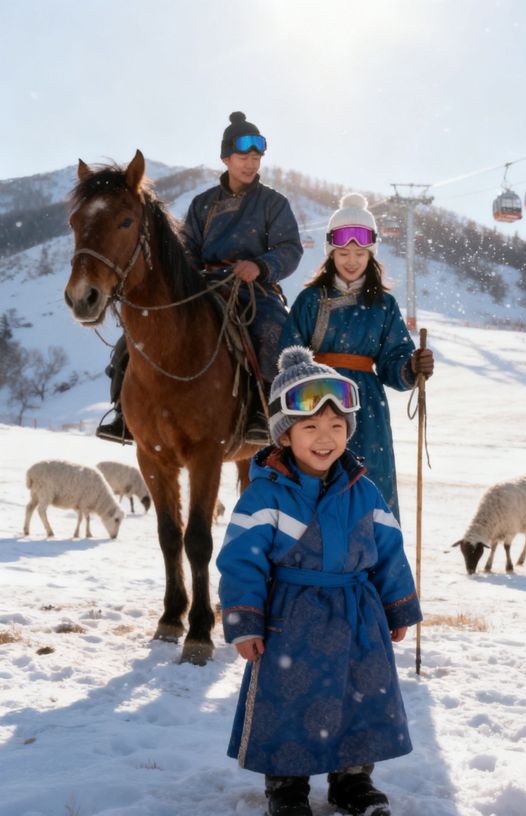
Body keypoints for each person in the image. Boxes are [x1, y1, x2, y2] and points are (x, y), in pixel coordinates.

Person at [216, 346, 423, 816]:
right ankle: (286, 784)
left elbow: (388, 549)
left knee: (361, 695)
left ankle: (353, 781)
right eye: (310, 427)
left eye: (336, 426)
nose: (325, 438)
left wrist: (398, 605)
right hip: (293, 615)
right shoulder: (265, 494)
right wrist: (245, 621)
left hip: (357, 615)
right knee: (288, 697)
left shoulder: (362, 488)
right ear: (285, 435)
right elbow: (241, 561)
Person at [96, 111, 303, 445]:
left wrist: (260, 267)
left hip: (253, 289)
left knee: (274, 334)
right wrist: (189, 273)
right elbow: (186, 249)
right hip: (203, 285)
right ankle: (124, 413)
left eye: (255, 158)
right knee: (135, 338)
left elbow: (290, 248)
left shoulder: (272, 203)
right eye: (242, 158)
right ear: (225, 159)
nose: (250, 165)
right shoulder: (203, 204)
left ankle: (265, 414)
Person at [278, 193, 434, 519]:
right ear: (331, 253)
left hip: (366, 407)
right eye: (343, 252)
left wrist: (411, 366)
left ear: (371, 254)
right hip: (316, 402)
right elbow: (289, 352)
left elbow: (393, 360)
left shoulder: (384, 305)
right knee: (318, 478)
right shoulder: (311, 299)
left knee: (368, 481)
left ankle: (373, 557)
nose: (351, 260)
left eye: (360, 253)